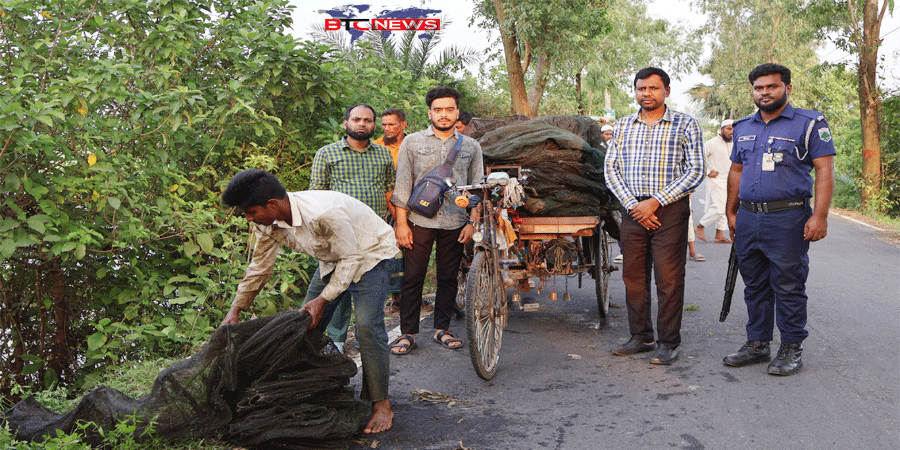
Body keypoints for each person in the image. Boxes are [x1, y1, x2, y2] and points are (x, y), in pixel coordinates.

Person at [220, 169, 397, 433]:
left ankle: (381, 403)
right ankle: (310, 389)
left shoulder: (323, 214)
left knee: (367, 327)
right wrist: (235, 309)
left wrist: (323, 300)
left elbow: (352, 259)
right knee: (304, 324)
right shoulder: (265, 221)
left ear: (272, 204)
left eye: (250, 212)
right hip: (332, 258)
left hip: (369, 255)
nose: (248, 218)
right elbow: (260, 267)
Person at [723, 63, 834, 376]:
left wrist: (820, 215)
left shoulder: (809, 123)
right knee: (755, 285)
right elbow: (736, 171)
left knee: (788, 285)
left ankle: (791, 347)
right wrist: (731, 211)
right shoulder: (743, 126)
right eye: (759, 88)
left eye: (771, 87)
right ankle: (757, 344)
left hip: (787, 218)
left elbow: (824, 169)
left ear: (787, 87)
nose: (764, 93)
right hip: (748, 218)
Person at [604, 67, 705, 365]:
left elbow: (695, 170)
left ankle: (668, 342)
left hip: (670, 210)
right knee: (633, 276)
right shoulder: (622, 126)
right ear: (635, 91)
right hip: (631, 207)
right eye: (641, 88)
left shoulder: (685, 125)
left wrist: (655, 202)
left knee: (669, 278)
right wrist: (634, 205)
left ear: (666, 91)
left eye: (653, 88)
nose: (646, 93)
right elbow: (611, 169)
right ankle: (641, 336)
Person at [389, 86, 484, 355]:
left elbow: (476, 189)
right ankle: (407, 333)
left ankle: (442, 329)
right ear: (430, 112)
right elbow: (402, 187)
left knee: (447, 277)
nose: (444, 115)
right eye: (438, 110)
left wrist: (472, 222)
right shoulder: (413, 142)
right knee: (413, 277)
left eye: (450, 109)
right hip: (418, 221)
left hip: (455, 222)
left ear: (457, 113)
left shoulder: (471, 146)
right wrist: (401, 224)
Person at [308, 104, 396, 353]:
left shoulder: (383, 154)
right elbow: (317, 193)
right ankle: (336, 337)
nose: (362, 124)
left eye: (368, 120)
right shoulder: (326, 153)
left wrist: (398, 225)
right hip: (338, 235)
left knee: (370, 291)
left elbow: (390, 189)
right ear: (345, 123)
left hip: (373, 238)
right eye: (356, 119)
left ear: (374, 125)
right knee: (337, 288)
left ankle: (365, 339)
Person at [373, 108, 410, 315]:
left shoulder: (412, 144)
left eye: (391, 124)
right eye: (384, 124)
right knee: (393, 247)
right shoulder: (377, 146)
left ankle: (413, 295)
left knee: (413, 248)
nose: (386, 128)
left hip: (413, 201)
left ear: (402, 125)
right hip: (386, 203)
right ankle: (396, 296)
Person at [696, 119, 734, 244]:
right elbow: (698, 158)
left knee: (726, 207)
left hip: (729, 180)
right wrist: (707, 172)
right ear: (721, 129)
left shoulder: (734, 143)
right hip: (716, 180)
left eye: (733, 128)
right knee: (719, 208)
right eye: (728, 128)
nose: (731, 131)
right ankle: (700, 226)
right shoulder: (711, 143)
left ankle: (719, 235)